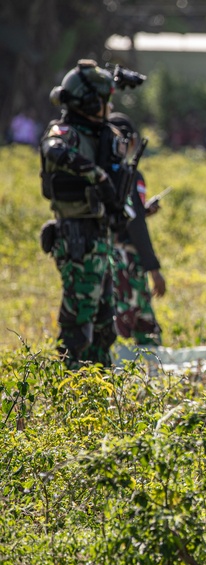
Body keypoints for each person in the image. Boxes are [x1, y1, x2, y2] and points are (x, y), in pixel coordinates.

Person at [39, 59, 132, 368]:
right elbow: (53, 149)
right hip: (77, 236)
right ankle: (70, 384)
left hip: (100, 236)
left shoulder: (100, 134)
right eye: (106, 101)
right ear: (91, 102)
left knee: (105, 320)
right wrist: (98, 176)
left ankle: (98, 387)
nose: (110, 107)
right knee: (80, 317)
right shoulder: (66, 132)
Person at [107, 112, 167, 346]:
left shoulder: (101, 173)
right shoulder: (130, 176)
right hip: (126, 261)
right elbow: (135, 225)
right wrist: (153, 269)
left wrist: (142, 210)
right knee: (138, 325)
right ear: (130, 141)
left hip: (104, 254)